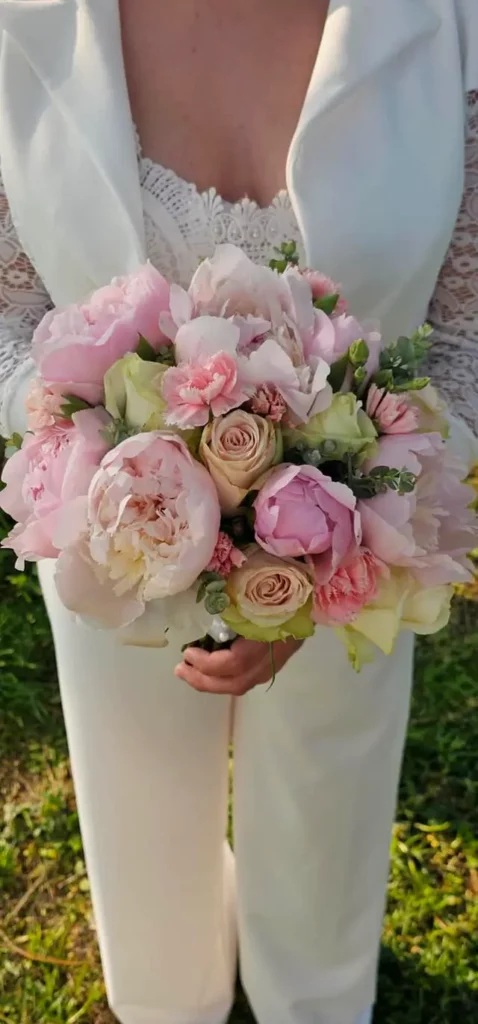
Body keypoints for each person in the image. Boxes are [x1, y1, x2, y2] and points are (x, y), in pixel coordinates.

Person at [0, 2, 477, 1023]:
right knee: (138, 827)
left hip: (360, 560)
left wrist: (337, 536)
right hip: (111, 554)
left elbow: (467, 335)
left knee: (327, 819)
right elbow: (8, 314)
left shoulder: (447, 24)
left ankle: (314, 996)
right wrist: (95, 468)